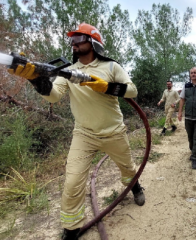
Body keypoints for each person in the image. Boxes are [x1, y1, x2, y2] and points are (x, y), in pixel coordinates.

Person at [8, 23, 145, 240]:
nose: (74, 44)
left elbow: (133, 90)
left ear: (93, 42)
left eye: (78, 39)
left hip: (114, 132)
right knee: (72, 182)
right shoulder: (69, 73)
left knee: (128, 167)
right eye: (71, 40)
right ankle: (71, 229)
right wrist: (35, 79)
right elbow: (53, 96)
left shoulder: (111, 67)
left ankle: (135, 186)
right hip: (84, 135)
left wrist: (106, 87)